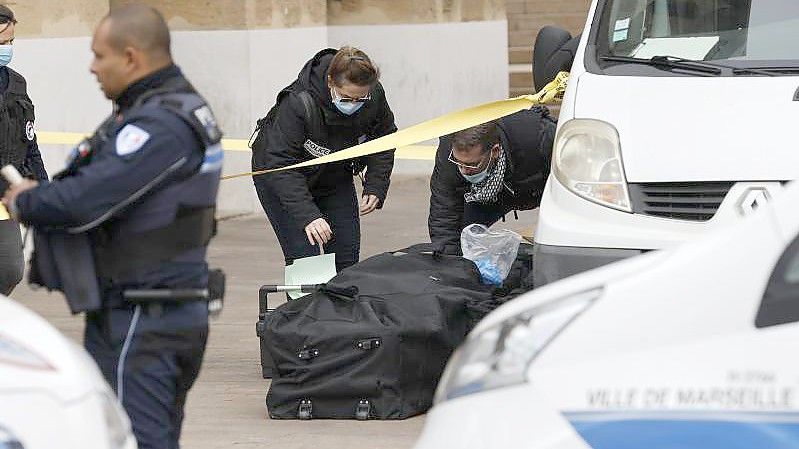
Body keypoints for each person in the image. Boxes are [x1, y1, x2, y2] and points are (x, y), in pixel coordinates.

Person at [2, 5, 222, 449]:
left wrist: (29, 199)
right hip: (146, 306)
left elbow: (85, 200)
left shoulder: (160, 124)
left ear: (131, 56)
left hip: (146, 314)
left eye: (99, 56)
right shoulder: (157, 110)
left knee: (129, 439)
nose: (91, 66)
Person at [251, 46, 397, 272]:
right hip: (281, 176)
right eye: (346, 98)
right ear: (330, 82)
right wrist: (308, 216)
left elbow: (384, 136)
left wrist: (377, 183)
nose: (354, 104)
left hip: (333, 175)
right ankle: (304, 308)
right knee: (306, 262)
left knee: (346, 258)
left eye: (361, 98)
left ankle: (341, 307)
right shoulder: (298, 103)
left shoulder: (374, 96)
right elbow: (279, 163)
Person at [428, 108, 557, 254]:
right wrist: (450, 263)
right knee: (458, 238)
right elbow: (444, 208)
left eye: (472, 164)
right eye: (459, 162)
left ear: (494, 151)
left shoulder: (540, 138)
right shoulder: (449, 152)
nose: (463, 170)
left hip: (541, 187)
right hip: (490, 196)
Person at [0, 5, 48, 295]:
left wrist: (43, 185)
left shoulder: (17, 83)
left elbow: (29, 139)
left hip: (4, 197)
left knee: (10, 269)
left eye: (10, 43)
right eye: (0, 42)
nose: (6, 49)